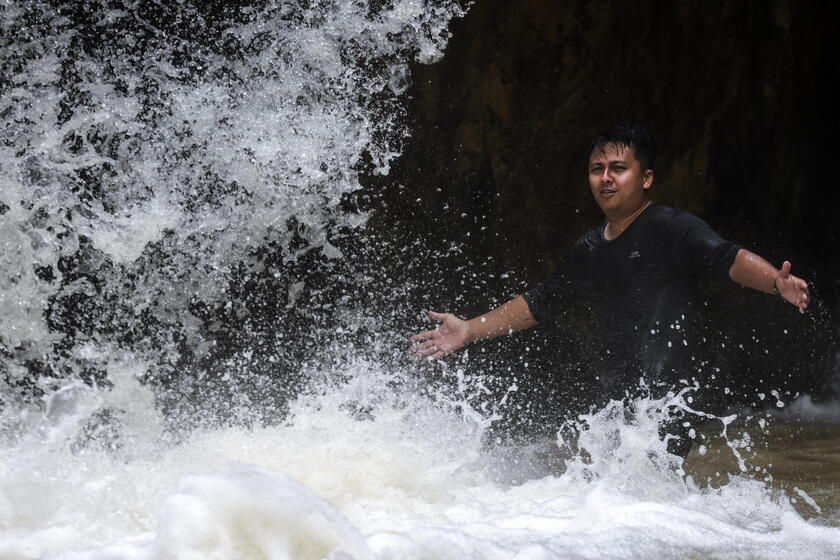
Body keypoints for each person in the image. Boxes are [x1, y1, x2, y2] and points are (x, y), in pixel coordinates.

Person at [409, 123, 810, 456]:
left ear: (646, 177)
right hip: (622, 402)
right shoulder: (589, 249)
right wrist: (469, 329)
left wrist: (775, 282)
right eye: (596, 168)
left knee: (643, 495)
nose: (605, 178)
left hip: (671, 402)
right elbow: (539, 303)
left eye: (618, 168)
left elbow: (727, 257)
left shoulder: (670, 226)